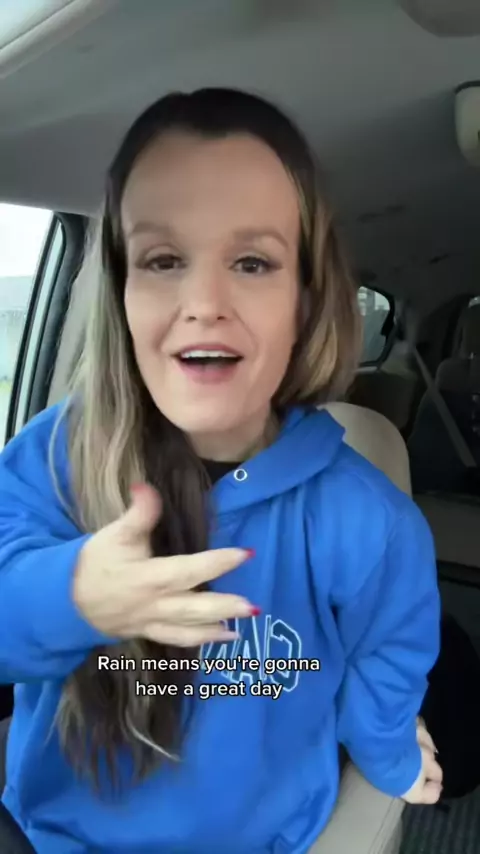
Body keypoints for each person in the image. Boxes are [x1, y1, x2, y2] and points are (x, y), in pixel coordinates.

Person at [0, 88, 441, 854]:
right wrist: (76, 596)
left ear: (305, 300)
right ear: (122, 292)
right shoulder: (57, 455)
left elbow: (387, 660)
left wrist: (392, 751)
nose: (204, 301)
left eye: (252, 262)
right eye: (163, 260)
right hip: (52, 837)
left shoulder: (368, 520)